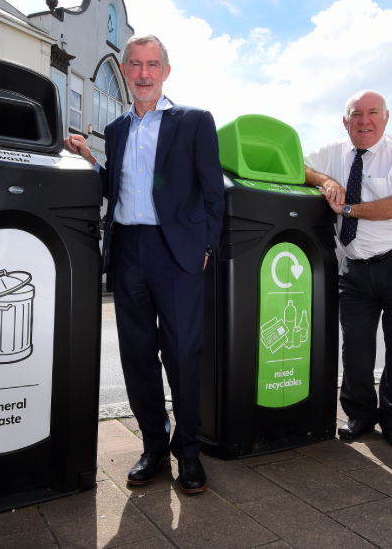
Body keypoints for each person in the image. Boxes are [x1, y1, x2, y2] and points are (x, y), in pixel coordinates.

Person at [64, 35, 224, 493]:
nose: (143, 73)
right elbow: (118, 190)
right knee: (137, 356)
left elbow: (214, 193)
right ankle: (154, 445)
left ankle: (188, 451)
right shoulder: (115, 130)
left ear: (166, 72)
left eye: (152, 64)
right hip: (128, 250)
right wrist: (90, 161)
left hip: (177, 255)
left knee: (182, 356)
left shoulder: (193, 121)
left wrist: (206, 248)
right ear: (126, 70)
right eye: (134, 64)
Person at [304, 90, 392, 449]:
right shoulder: (333, 151)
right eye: (356, 114)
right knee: (355, 348)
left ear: (386, 118)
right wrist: (325, 181)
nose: (364, 120)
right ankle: (359, 414)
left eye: (373, 113)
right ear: (346, 122)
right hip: (355, 267)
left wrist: (347, 210)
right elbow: (294, 165)